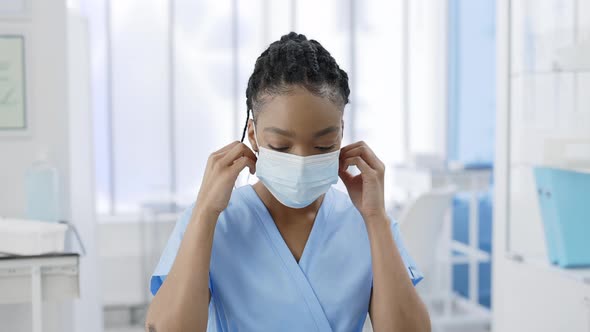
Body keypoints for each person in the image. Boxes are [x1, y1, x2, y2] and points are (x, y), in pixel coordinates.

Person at [145, 32, 430, 332]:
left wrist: (376, 221)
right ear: (253, 135)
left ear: (341, 134)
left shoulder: (370, 226)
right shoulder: (214, 221)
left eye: (323, 146)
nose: (303, 160)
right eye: (281, 145)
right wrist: (205, 214)